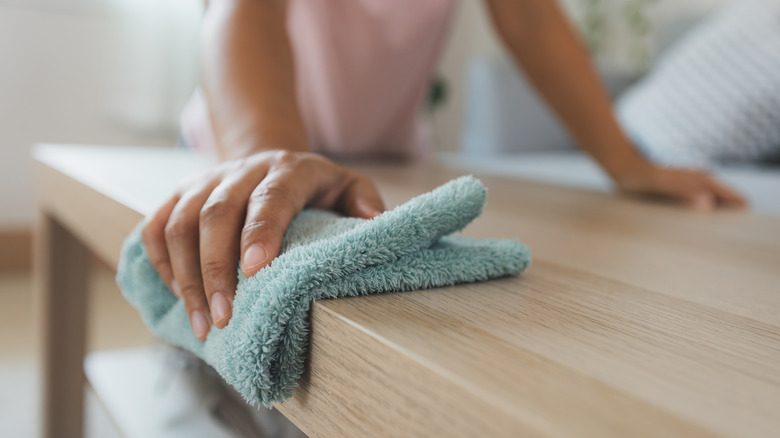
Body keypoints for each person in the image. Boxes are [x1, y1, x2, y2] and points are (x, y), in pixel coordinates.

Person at [142, 0, 746, 342]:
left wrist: (627, 163)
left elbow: (530, 18)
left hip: (383, 158)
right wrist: (269, 154)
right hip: (239, 144)